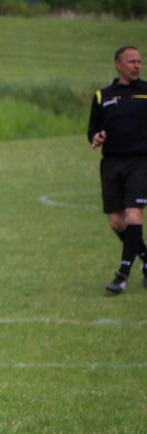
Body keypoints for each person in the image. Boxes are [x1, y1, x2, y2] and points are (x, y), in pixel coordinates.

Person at [88, 45, 147, 295]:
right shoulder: (103, 96)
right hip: (111, 163)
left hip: (141, 162)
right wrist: (97, 136)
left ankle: (122, 275)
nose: (137, 65)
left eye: (139, 61)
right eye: (132, 61)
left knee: (134, 216)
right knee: (116, 222)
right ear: (118, 64)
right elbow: (92, 130)